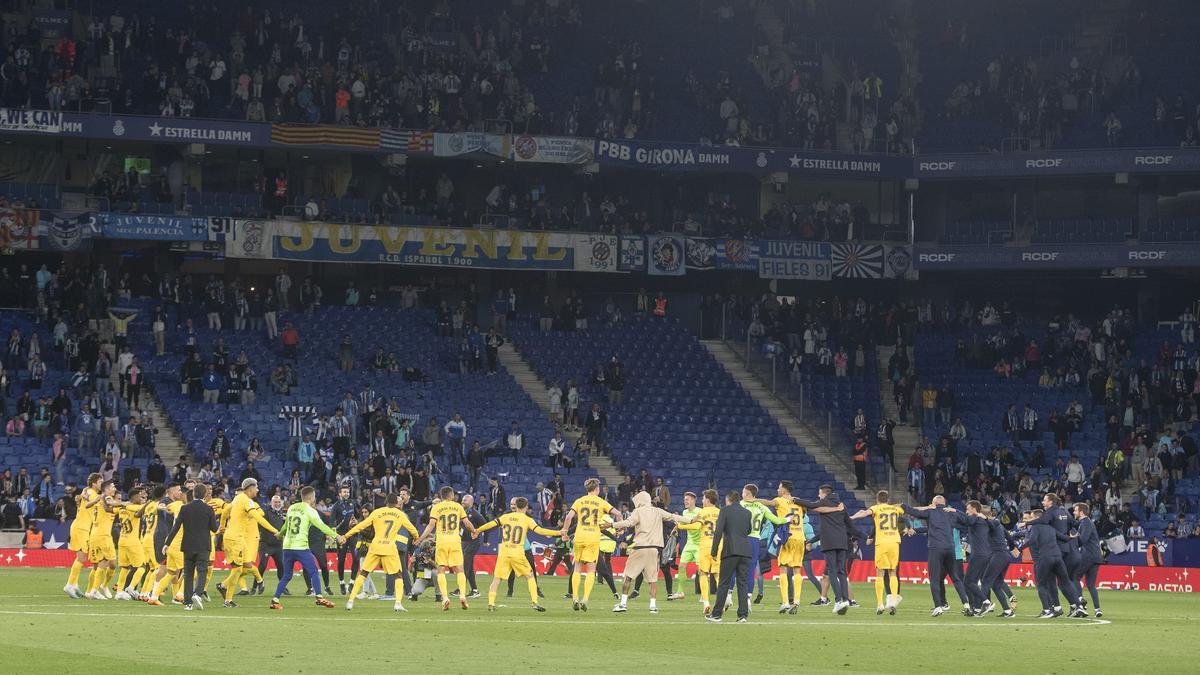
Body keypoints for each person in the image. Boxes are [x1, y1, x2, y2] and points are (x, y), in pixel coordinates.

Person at [610, 490, 692, 613]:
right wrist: (690, 520)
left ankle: (623, 604)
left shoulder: (638, 511)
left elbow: (628, 522)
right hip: (654, 550)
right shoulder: (658, 511)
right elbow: (673, 517)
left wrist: (611, 525)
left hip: (639, 549)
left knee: (628, 577)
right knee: (653, 580)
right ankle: (653, 606)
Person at [475, 496, 561, 612]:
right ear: (525, 506)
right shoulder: (527, 519)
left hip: (504, 553)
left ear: (516, 505)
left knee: (497, 579)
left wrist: (477, 530)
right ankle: (535, 602)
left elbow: (491, 524)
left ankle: (491, 603)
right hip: (518, 554)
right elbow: (541, 531)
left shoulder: (506, 517)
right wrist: (559, 532)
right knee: (530, 576)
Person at [339, 492, 418, 612]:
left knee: (363, 573)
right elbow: (412, 529)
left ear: (385, 501)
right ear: (396, 503)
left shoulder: (377, 512)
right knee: (398, 575)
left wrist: (346, 535)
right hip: (390, 548)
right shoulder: (400, 514)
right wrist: (416, 537)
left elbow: (361, 526)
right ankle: (398, 603)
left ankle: (350, 601)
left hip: (375, 547)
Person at [560, 478, 622, 611]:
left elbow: (568, 517)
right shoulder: (601, 502)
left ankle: (575, 597)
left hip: (579, 537)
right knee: (591, 570)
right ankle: (585, 599)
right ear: (597, 489)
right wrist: (619, 529)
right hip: (592, 538)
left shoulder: (579, 501)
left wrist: (565, 532)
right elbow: (618, 514)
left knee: (577, 568)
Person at [904, 495, 970, 616]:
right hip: (951, 549)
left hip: (936, 548)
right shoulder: (951, 513)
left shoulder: (931, 512)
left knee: (934, 578)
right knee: (955, 578)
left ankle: (938, 606)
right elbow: (967, 519)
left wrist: (903, 506)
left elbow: (915, 512)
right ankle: (966, 605)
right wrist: (956, 510)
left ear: (934, 504)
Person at [217, 478, 278, 608]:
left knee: (247, 565)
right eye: (256, 487)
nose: (258, 490)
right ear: (250, 488)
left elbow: (225, 512)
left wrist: (222, 526)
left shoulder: (237, 498)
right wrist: (274, 531)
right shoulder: (246, 500)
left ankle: (226, 588)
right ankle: (227, 597)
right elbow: (258, 518)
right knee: (237, 569)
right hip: (235, 538)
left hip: (237, 538)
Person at [414, 486, 478, 610]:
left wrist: (420, 538)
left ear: (442, 496)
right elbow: (466, 523)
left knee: (441, 570)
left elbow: (430, 525)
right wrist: (474, 531)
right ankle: (463, 596)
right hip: (455, 541)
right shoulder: (458, 506)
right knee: (460, 569)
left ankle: (445, 598)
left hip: (442, 541)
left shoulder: (436, 507)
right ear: (452, 495)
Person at [794, 485, 851, 614]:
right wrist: (863, 536)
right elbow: (849, 524)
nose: (818, 496)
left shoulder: (824, 502)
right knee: (841, 572)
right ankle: (846, 599)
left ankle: (838, 601)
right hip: (842, 543)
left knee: (831, 572)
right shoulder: (841, 505)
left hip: (830, 543)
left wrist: (794, 500)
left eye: (819, 493)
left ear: (824, 494)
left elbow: (810, 504)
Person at [163, 483, 219, 611]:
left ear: (193, 494)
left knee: (188, 574)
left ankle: (188, 603)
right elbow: (214, 529)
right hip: (203, 546)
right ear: (205, 495)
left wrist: (167, 543)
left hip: (187, 545)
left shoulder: (184, 509)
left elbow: (176, 527)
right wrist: (218, 524)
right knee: (202, 571)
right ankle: (197, 594)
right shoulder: (209, 509)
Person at [754, 480, 807, 613]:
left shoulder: (779, 500)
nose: (777, 490)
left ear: (784, 490)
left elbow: (769, 503)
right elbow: (804, 513)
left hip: (787, 537)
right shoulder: (799, 501)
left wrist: (753, 500)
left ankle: (785, 602)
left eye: (779, 487)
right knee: (797, 570)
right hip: (800, 537)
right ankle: (797, 601)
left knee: (783, 569)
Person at [850, 490, 906, 614]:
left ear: (877, 500)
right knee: (893, 572)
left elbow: (863, 513)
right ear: (888, 499)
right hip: (894, 542)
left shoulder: (876, 508)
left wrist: (852, 517)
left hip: (881, 543)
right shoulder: (895, 509)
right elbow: (906, 509)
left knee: (880, 573)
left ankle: (880, 604)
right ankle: (893, 602)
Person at [705, 491, 754, 623]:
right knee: (742, 584)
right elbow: (749, 530)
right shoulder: (747, 513)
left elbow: (718, 532)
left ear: (728, 500)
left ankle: (716, 615)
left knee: (724, 583)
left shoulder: (725, 511)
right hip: (745, 551)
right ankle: (742, 615)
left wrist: (714, 551)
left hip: (730, 550)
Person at [739, 484, 790, 607]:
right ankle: (748, 599)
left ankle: (729, 596)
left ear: (747, 493)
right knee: (752, 571)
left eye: (743, 492)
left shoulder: (740, 505)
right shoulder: (762, 507)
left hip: (741, 539)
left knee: (736, 568)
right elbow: (777, 521)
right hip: (755, 540)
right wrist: (789, 519)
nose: (742, 494)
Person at [675, 489, 722, 615]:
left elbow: (696, 526)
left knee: (702, 573)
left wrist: (680, 526)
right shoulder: (721, 512)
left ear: (707, 500)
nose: (702, 500)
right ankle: (723, 600)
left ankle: (706, 601)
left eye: (703, 498)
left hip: (704, 545)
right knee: (717, 575)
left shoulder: (702, 512)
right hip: (718, 546)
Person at [62, 473, 102, 598]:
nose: (101, 484)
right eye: (100, 481)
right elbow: (88, 503)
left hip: (82, 527)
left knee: (82, 557)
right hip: (81, 527)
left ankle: (73, 584)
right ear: (94, 483)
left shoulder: (87, 491)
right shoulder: (91, 493)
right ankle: (69, 584)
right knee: (81, 557)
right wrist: (96, 499)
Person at [83, 480, 124, 600]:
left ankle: (97, 588)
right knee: (103, 563)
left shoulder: (100, 499)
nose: (114, 487)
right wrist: (127, 503)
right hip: (102, 536)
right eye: (112, 486)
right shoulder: (107, 498)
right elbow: (113, 504)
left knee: (110, 564)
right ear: (106, 489)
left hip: (97, 534)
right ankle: (94, 590)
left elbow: (87, 505)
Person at [1072, 502, 1103, 617]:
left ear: (1081, 512)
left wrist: (1071, 539)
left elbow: (1083, 540)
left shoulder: (1085, 523)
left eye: (1075, 510)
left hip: (1088, 555)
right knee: (1090, 584)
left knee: (1074, 576)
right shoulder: (1085, 522)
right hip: (1095, 557)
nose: (1074, 512)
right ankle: (1097, 609)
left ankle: (1081, 602)